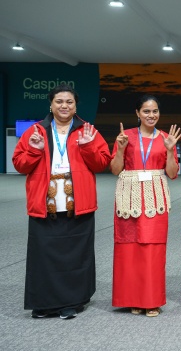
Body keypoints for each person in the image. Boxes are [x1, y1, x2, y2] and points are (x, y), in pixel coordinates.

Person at [12, 84, 111, 319]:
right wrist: (35, 151)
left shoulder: (88, 131)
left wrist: (87, 147)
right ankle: (44, 304)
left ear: (76, 105)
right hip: (44, 203)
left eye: (69, 102)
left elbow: (101, 163)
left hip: (79, 202)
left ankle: (72, 302)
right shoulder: (35, 131)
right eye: (59, 102)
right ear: (51, 104)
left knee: (76, 255)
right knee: (43, 255)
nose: (64, 106)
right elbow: (19, 165)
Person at [111, 94, 181, 317]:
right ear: (137, 114)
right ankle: (132, 298)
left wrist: (171, 150)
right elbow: (114, 169)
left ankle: (151, 300)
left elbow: (172, 173)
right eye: (146, 111)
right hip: (129, 196)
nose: (151, 115)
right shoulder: (125, 136)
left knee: (153, 248)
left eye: (155, 111)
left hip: (155, 197)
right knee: (129, 248)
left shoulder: (166, 138)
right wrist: (121, 149)